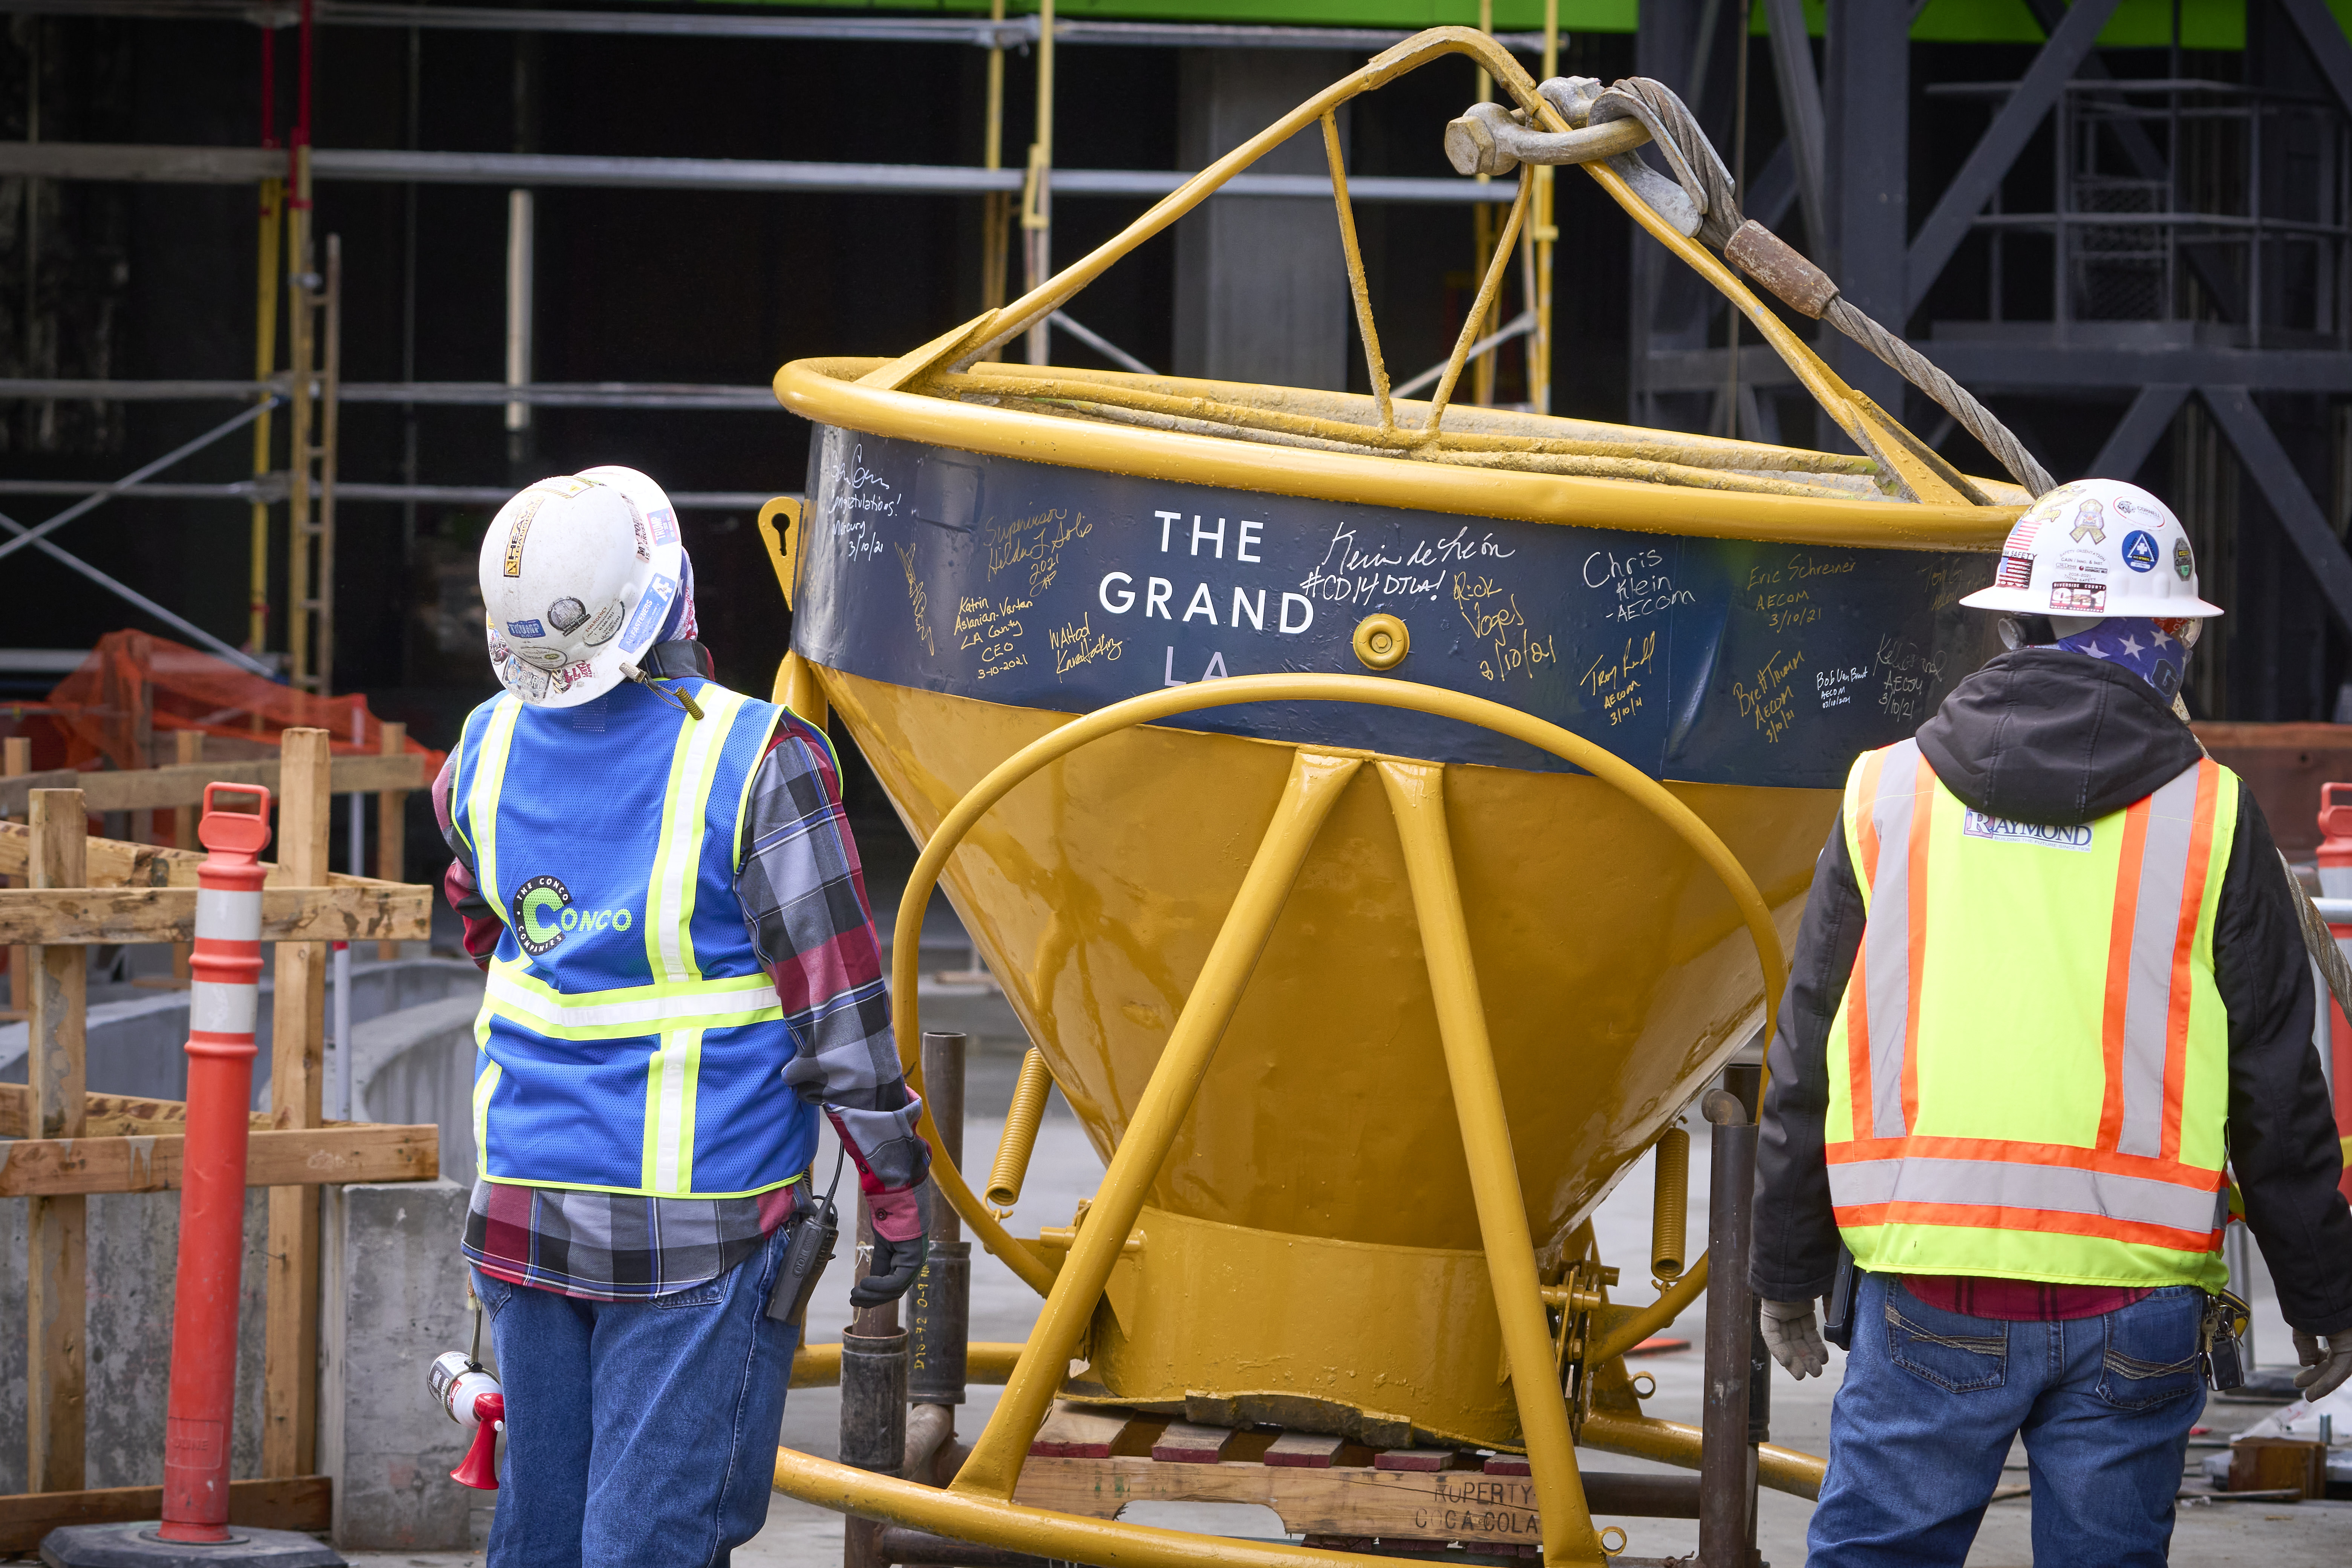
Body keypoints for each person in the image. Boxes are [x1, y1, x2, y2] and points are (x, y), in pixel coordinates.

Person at [1749, 478, 2352, 1568]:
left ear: (2013, 626)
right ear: (2168, 637)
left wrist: (1786, 1268)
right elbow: (2276, 1087)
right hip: (2138, 1299)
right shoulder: (2212, 816)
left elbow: (1806, 1056)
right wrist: (2322, 1290)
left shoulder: (1884, 795)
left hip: (1933, 1280)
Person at [433, 467, 931, 1568]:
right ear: (670, 601)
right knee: (650, 1542)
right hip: (693, 1229)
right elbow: (840, 1015)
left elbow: (490, 924)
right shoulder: (759, 758)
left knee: (542, 1538)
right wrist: (896, 1186)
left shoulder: (480, 749)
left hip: (519, 1205)